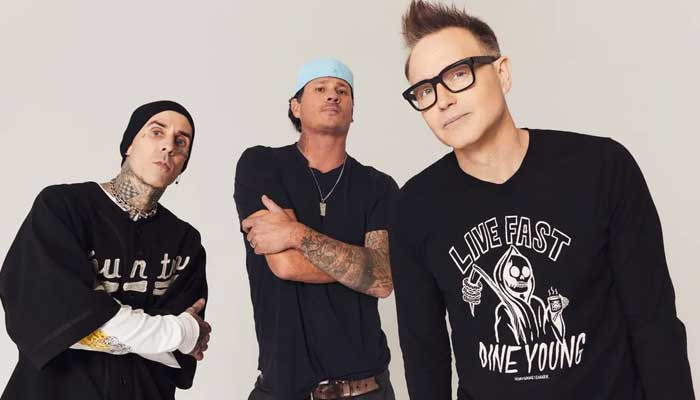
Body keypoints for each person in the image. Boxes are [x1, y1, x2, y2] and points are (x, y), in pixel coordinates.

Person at [390, 1, 695, 399]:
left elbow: (654, 322)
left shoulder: (602, 168)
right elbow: (424, 355)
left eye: (459, 74)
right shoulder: (414, 207)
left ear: (502, 73)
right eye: (425, 91)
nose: (443, 100)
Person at [0, 100, 211, 400]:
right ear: (129, 145)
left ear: (183, 165)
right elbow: (47, 321)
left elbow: (179, 354)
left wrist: (95, 320)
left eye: (181, 142)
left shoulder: (185, 241)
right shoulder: (63, 208)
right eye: (156, 132)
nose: (168, 146)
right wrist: (176, 331)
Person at [234, 58, 398, 399]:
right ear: (295, 107)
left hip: (365, 390)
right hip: (282, 389)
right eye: (319, 88)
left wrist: (296, 234)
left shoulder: (378, 187)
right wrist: (360, 266)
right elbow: (285, 264)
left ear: (353, 111)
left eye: (342, 91)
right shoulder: (262, 165)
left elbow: (382, 280)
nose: (332, 96)